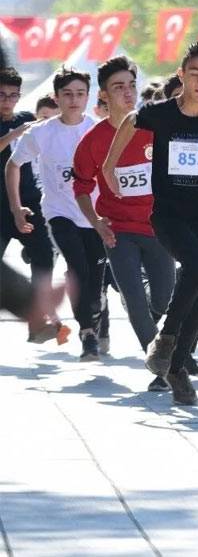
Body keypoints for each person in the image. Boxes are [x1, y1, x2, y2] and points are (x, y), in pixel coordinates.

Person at [103, 41, 198, 405]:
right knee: (197, 265)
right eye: (194, 74)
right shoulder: (162, 113)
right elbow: (130, 123)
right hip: (169, 215)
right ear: (181, 75)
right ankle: (165, 338)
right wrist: (109, 165)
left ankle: (176, 369)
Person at [72, 56, 176, 380]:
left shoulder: (155, 131)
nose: (128, 93)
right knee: (132, 296)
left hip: (158, 227)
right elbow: (82, 187)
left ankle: (148, 319)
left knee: (161, 296)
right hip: (118, 230)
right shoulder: (92, 141)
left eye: (132, 85)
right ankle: (160, 365)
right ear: (103, 95)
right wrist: (96, 222)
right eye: (118, 87)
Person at [7, 67, 102, 361]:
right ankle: (87, 334)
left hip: (95, 216)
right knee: (78, 269)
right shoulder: (42, 132)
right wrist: (17, 207)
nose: (74, 100)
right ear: (57, 97)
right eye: (67, 94)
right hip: (59, 212)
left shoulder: (99, 129)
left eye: (80, 94)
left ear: (89, 97)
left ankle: (96, 314)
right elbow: (13, 166)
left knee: (94, 281)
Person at [0, 66, 59, 340]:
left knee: (44, 255)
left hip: (30, 205)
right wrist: (14, 134)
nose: (7, 101)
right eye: (2, 95)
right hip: (1, 209)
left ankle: (38, 318)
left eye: (13, 95)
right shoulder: (16, 127)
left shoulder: (26, 118)